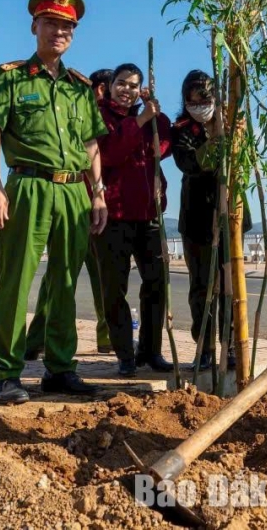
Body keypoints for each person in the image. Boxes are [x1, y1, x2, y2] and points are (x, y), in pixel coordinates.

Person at [0, 0, 108, 404]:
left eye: (67, 26)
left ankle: (60, 368)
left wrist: (98, 193)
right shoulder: (11, 76)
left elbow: (91, 144)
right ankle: (5, 373)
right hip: (27, 186)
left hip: (73, 192)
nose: (59, 32)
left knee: (65, 281)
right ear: (35, 25)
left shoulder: (80, 87)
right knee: (16, 281)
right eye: (51, 23)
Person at [25, 67, 115, 360]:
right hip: (77, 206)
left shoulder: (105, 115)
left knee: (84, 278)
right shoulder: (84, 116)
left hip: (97, 207)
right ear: (101, 89)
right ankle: (39, 340)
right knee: (61, 277)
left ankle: (104, 337)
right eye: (116, 86)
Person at [94, 62, 174, 377]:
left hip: (147, 213)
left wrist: (153, 112)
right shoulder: (99, 115)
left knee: (156, 281)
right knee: (115, 287)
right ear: (110, 86)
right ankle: (125, 354)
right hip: (113, 214)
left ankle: (150, 350)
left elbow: (162, 146)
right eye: (122, 84)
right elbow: (110, 152)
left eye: (133, 85)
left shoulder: (147, 116)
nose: (127, 90)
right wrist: (140, 119)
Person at [170, 70, 248, 372]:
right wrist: (216, 138)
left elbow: (244, 163)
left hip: (232, 215)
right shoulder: (182, 130)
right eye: (192, 101)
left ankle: (230, 347)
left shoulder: (233, 124)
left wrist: (232, 134)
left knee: (230, 287)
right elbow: (191, 164)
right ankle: (203, 348)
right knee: (201, 288)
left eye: (204, 99)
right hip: (197, 217)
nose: (199, 105)